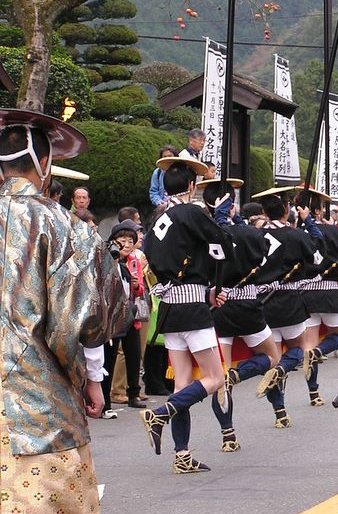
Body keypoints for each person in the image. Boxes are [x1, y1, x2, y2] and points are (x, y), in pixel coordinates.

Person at [0, 109, 128, 514]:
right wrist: (90, 379)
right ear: (45, 163)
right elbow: (85, 323)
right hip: (38, 408)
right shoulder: (63, 226)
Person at [139, 156, 234, 474]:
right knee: (215, 377)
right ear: (192, 187)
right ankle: (162, 413)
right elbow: (223, 245)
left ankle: (182, 454)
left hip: (169, 307)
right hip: (192, 309)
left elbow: (154, 257)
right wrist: (220, 217)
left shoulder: (159, 220)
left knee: (182, 382)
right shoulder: (189, 212)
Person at [197, 178, 282, 452]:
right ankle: (241, 376)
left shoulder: (203, 233)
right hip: (247, 304)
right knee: (272, 358)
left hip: (217, 305)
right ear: (231, 205)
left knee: (219, 376)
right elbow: (264, 257)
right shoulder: (250, 234)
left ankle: (228, 434)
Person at [252, 186, 321, 428]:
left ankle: (280, 412)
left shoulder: (254, 235)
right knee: (299, 351)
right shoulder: (296, 235)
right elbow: (317, 258)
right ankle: (282, 369)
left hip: (262, 302)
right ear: (286, 209)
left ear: (263, 211)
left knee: (269, 358)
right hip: (289, 301)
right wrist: (308, 223)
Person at [298, 189, 338, 406]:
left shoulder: (298, 233)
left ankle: (313, 392)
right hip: (329, 288)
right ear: (319, 210)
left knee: (308, 343)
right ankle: (321, 351)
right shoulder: (334, 231)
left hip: (306, 290)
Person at [102, 219, 147, 415]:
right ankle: (105, 400)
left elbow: (138, 292)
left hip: (130, 315)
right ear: (113, 241)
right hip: (111, 318)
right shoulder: (105, 261)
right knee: (108, 359)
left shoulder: (134, 262)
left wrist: (136, 285)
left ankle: (133, 393)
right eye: (122, 240)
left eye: (131, 241)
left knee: (134, 354)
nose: (127, 244)